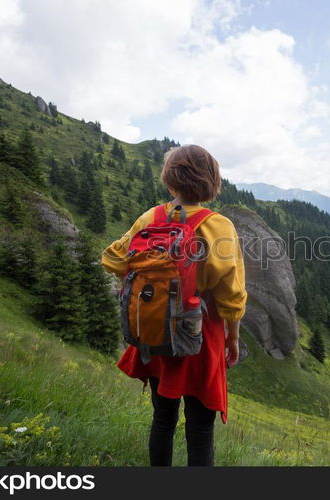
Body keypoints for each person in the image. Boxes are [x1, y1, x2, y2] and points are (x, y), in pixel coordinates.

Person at [101, 144, 247, 466]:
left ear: (170, 179)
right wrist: (232, 338)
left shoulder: (150, 218)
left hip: (156, 330)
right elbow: (231, 295)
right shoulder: (217, 225)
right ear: (210, 180)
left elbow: (113, 259)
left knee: (162, 420)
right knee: (200, 430)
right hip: (201, 336)